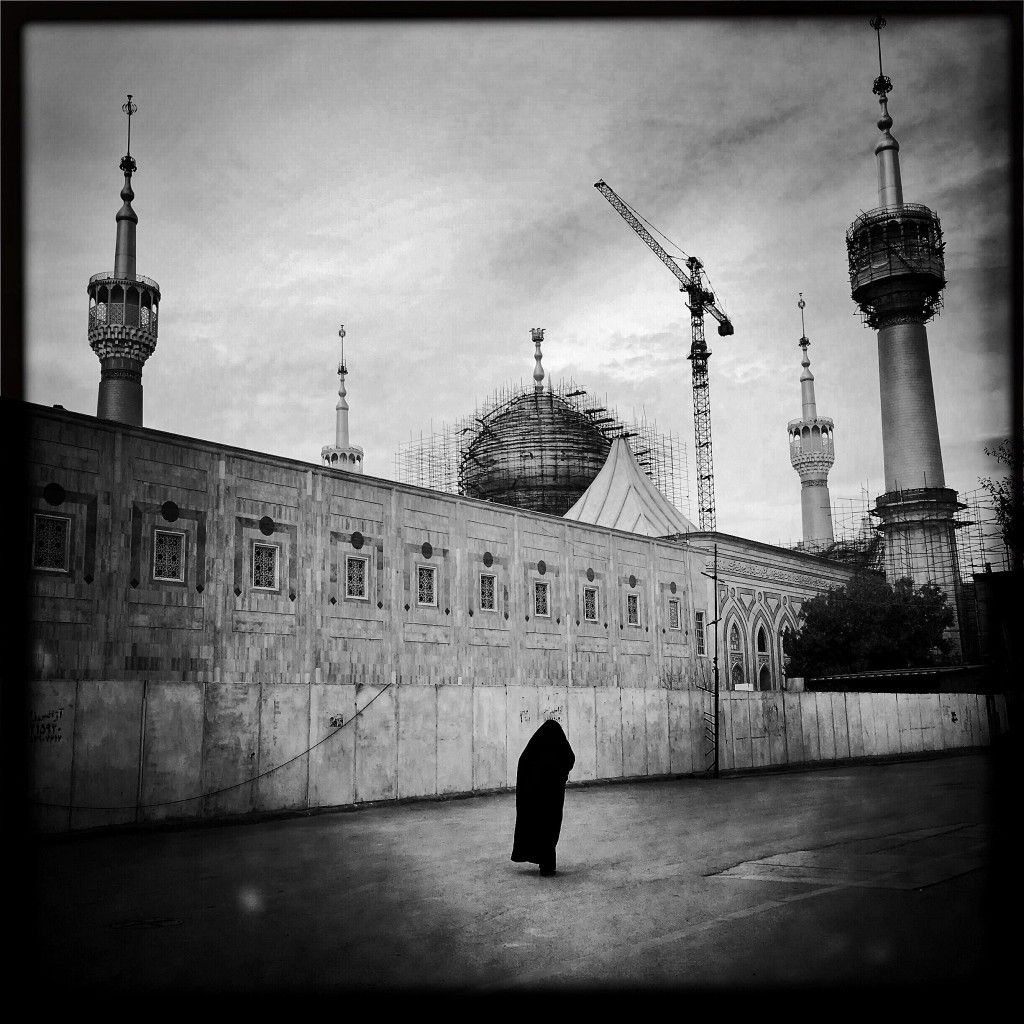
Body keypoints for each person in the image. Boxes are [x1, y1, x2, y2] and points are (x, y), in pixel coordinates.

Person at [510, 718, 575, 876]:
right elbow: (570, 758)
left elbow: (523, 764)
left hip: (536, 797)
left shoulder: (532, 752)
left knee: (538, 827)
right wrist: (561, 775)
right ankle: (548, 864)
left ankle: (542, 861)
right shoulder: (559, 747)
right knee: (550, 827)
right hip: (553, 797)